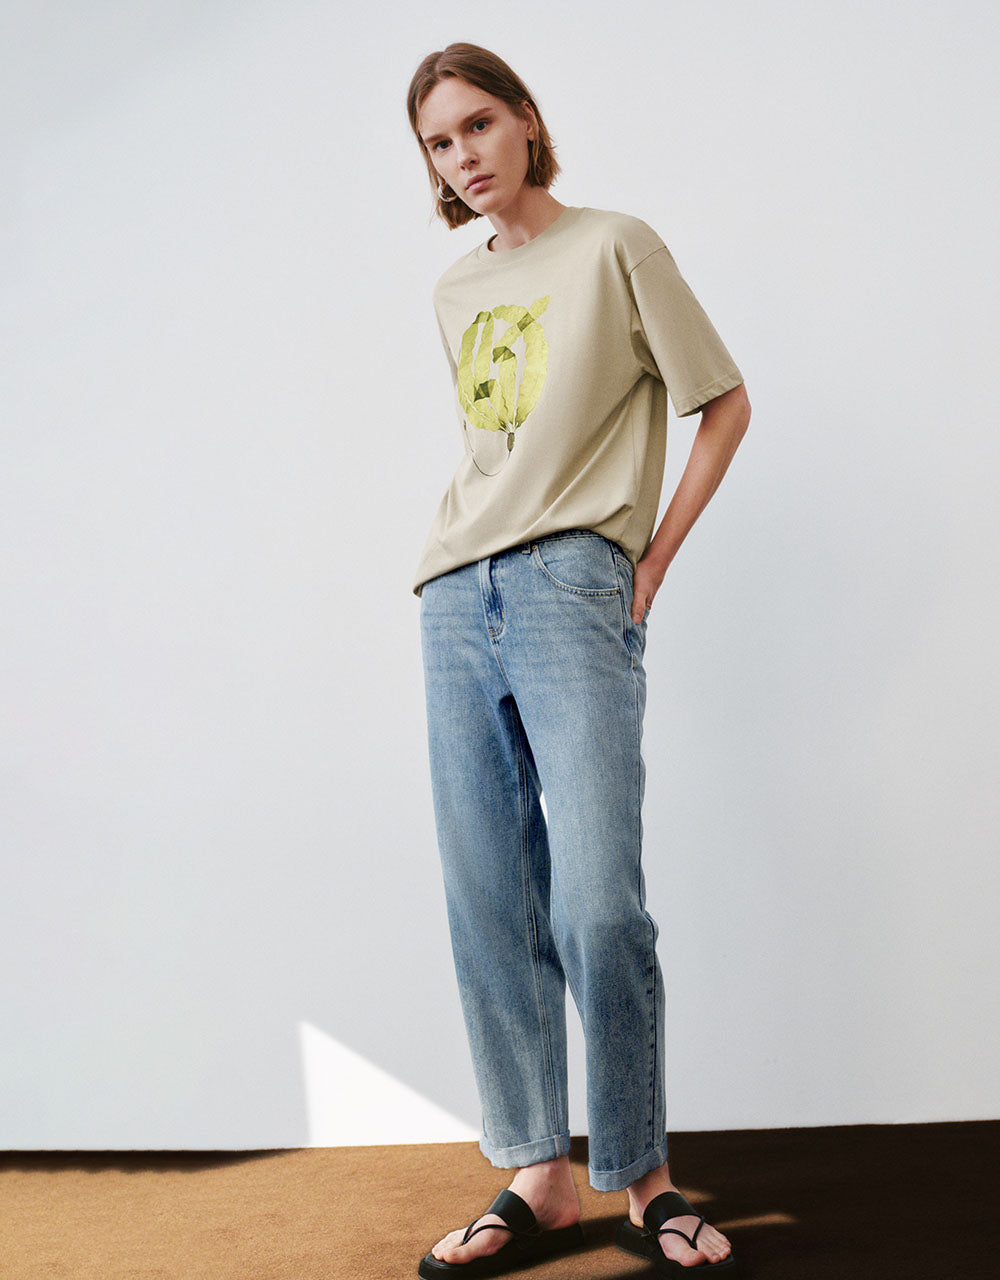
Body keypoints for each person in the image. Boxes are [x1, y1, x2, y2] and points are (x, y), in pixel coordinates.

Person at [406, 41, 750, 1279]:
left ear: (526, 120)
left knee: (598, 902)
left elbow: (722, 401)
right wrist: (459, 579)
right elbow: (496, 451)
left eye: (478, 124)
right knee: (490, 898)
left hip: (573, 583)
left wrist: (647, 564)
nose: (464, 155)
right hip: (456, 593)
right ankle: (537, 1172)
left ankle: (645, 1176)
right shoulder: (456, 289)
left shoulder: (616, 246)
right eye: (439, 142)